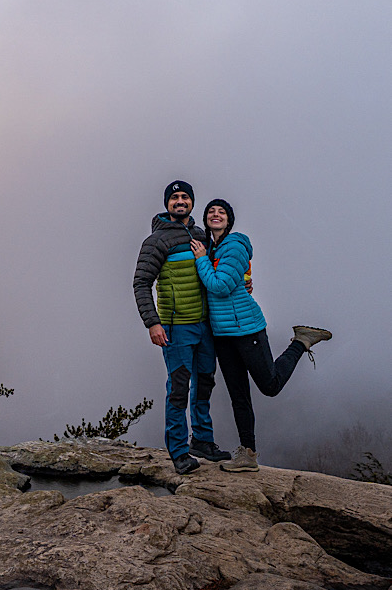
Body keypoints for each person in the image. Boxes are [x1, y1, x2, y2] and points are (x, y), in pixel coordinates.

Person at [191, 198, 332, 473]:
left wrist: (200, 261)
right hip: (222, 333)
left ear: (229, 220)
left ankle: (301, 342)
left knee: (270, 385)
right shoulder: (212, 249)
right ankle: (248, 454)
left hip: (246, 329)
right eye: (211, 212)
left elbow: (219, 286)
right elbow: (224, 282)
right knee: (238, 395)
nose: (215, 214)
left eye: (221, 212)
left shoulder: (235, 245)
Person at [133, 180, 231, 475]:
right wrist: (153, 323)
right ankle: (178, 452)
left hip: (205, 326)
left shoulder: (201, 235)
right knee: (178, 388)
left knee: (204, 383)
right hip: (176, 328)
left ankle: (202, 441)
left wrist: (242, 283)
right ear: (167, 204)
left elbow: (213, 270)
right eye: (174, 197)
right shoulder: (156, 241)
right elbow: (141, 283)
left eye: (184, 197)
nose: (180, 201)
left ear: (192, 202)